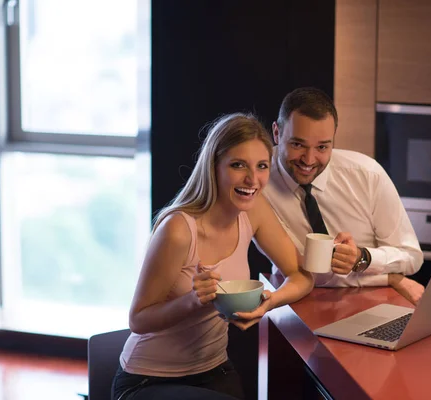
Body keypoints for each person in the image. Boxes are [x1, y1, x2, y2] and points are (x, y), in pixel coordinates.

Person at [112, 113, 314, 400]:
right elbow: (139, 320)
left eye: (262, 166)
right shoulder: (179, 230)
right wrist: (193, 301)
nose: (252, 179)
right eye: (238, 165)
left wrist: (268, 303)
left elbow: (302, 276)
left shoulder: (253, 212)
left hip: (213, 369)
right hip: (148, 380)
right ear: (213, 167)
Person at [261, 87, 425, 304]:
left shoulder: (368, 175)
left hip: (369, 301)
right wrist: (390, 278)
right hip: (293, 301)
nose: (309, 160)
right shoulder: (256, 178)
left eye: (322, 147)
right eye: (298, 144)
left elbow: (412, 257)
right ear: (276, 133)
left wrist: (362, 258)